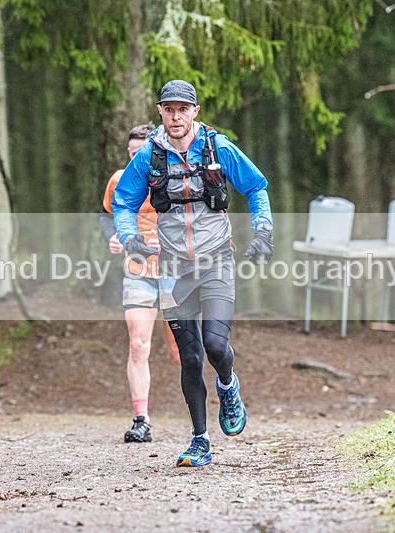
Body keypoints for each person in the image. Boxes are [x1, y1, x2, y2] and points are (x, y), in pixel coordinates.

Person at [111, 80, 274, 466]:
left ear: (195, 112)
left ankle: (228, 383)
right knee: (190, 358)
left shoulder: (217, 147)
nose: (176, 116)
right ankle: (200, 440)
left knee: (216, 347)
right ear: (160, 112)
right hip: (172, 269)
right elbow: (122, 201)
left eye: (183, 109)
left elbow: (256, 187)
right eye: (169, 109)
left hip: (216, 260)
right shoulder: (149, 155)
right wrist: (130, 237)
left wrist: (263, 230)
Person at [99, 123, 181, 443]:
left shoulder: (175, 175)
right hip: (138, 271)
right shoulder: (120, 180)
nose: (136, 158)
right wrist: (114, 236)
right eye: (131, 153)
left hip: (176, 271)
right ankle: (141, 419)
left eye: (141, 153)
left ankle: (204, 407)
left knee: (181, 349)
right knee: (137, 343)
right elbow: (107, 215)